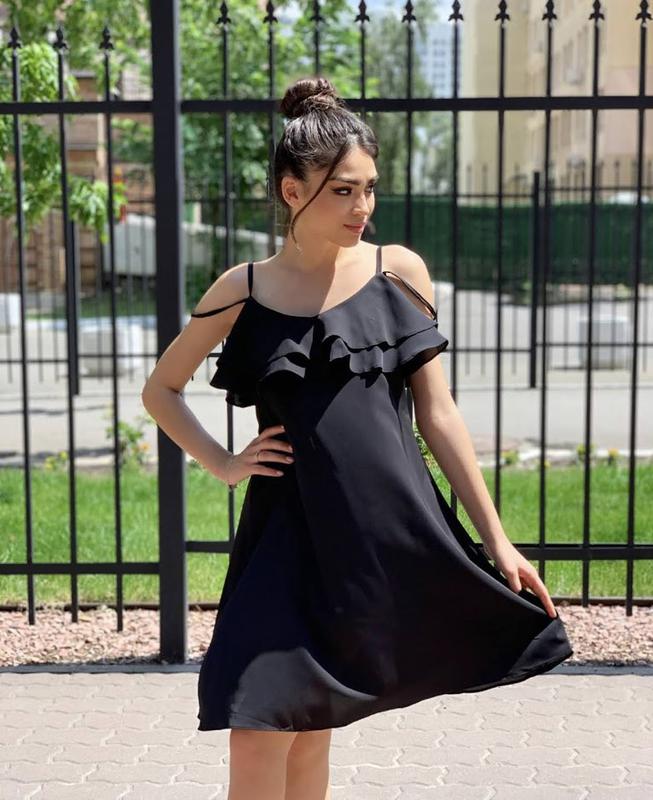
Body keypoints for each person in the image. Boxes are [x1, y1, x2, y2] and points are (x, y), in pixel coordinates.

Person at [141, 75, 573, 800]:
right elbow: (161, 389)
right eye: (342, 190)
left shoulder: (397, 272)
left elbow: (438, 415)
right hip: (283, 538)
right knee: (257, 721)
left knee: (311, 727)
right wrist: (222, 462)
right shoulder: (244, 288)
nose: (362, 207)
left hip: (376, 534)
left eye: (368, 188)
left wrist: (496, 540)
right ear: (292, 191)